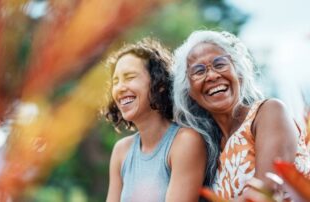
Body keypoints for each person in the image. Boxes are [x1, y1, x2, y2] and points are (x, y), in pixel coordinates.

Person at [172, 30, 310, 200]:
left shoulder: (268, 112)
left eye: (220, 64)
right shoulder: (211, 150)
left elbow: (265, 192)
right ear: (189, 90)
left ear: (239, 72)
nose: (213, 75)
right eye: (199, 71)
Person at [105, 38, 206, 202]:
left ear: (159, 84)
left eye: (130, 77)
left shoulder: (185, 142)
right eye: (116, 81)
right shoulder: (121, 151)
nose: (120, 88)